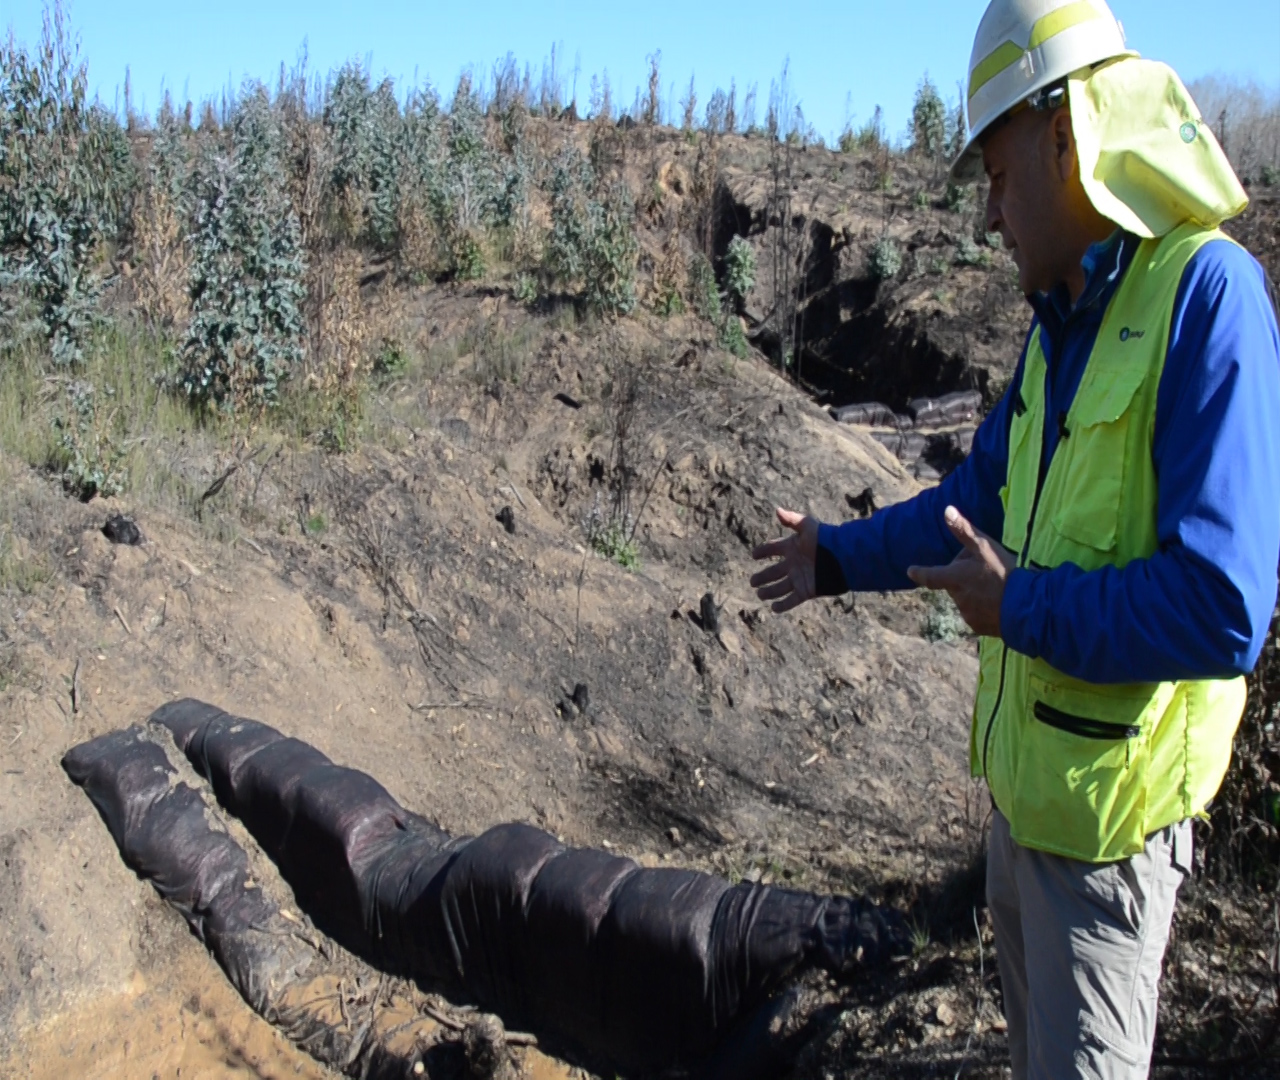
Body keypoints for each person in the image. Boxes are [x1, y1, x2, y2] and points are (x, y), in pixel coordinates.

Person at [748, 1, 1280, 1077]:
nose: (988, 216)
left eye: (994, 174)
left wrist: (1017, 607)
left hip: (1106, 850)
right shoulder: (1058, 330)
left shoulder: (1207, 298)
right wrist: (837, 557)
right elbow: (971, 503)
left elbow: (1225, 608)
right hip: (1023, 818)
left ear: (1063, 135)